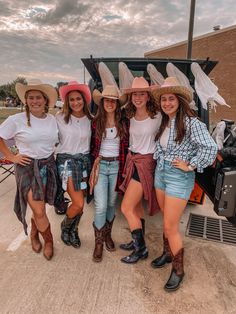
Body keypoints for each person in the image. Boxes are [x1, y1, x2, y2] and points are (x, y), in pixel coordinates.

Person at [151, 77, 218, 291]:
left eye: (171, 99)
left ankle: (178, 269)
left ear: (179, 100)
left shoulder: (191, 122)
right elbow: (161, 146)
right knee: (166, 219)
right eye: (164, 99)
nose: (167, 103)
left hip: (179, 177)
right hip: (161, 173)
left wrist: (191, 165)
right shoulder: (164, 121)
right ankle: (167, 253)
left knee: (171, 225)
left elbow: (210, 148)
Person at [0, 79, 58, 260]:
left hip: (48, 166)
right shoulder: (15, 120)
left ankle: (34, 232)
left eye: (38, 97)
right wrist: (11, 156)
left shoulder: (52, 119)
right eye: (31, 97)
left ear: (45, 100)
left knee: (40, 206)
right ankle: (48, 240)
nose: (35, 101)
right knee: (39, 210)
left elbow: (55, 141)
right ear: (26, 100)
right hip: (27, 168)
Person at [119, 77, 161, 264]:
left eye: (141, 93)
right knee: (135, 207)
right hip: (132, 160)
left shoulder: (157, 116)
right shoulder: (131, 117)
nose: (138, 97)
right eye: (135, 94)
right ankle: (137, 240)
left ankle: (141, 249)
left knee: (126, 207)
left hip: (146, 163)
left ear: (148, 96)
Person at [90, 85, 129, 262]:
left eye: (113, 101)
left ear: (117, 104)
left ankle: (107, 235)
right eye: (107, 100)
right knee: (101, 205)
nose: (110, 103)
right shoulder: (95, 122)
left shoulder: (124, 122)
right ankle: (98, 242)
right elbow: (91, 147)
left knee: (112, 203)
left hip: (116, 166)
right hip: (100, 166)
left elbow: (127, 146)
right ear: (102, 103)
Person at [56, 81, 92, 248]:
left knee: (81, 204)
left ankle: (73, 230)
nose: (75, 102)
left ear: (84, 100)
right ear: (67, 102)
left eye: (78, 99)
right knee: (77, 203)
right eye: (71, 99)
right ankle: (65, 226)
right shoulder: (59, 118)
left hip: (84, 162)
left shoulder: (90, 119)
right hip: (67, 163)